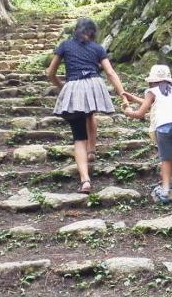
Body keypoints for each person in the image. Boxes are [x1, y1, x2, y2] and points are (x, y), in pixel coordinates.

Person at [47, 18, 128, 193]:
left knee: (78, 137)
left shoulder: (65, 45)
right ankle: (91, 150)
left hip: (74, 86)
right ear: (92, 32)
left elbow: (50, 73)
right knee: (90, 113)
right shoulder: (98, 48)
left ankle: (85, 180)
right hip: (93, 85)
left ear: (75, 30)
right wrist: (122, 94)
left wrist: (62, 86)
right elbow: (110, 72)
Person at [123, 65, 172, 204]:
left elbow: (140, 113)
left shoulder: (151, 91)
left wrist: (128, 112)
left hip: (164, 126)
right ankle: (171, 180)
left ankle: (165, 190)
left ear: (152, 81)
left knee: (166, 157)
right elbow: (155, 104)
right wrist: (134, 98)